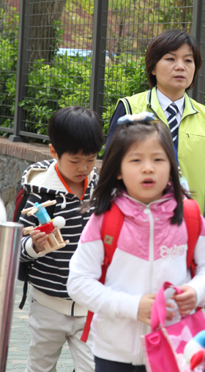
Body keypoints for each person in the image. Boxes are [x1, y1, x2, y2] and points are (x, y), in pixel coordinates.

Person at [67, 113, 205, 371]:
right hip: (114, 354)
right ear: (118, 170)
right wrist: (133, 306)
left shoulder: (189, 215)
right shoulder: (104, 219)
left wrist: (198, 291)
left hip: (176, 348)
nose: (148, 168)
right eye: (136, 160)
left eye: (158, 159)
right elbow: (78, 282)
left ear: (171, 167)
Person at [105, 29, 205, 214]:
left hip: (186, 227)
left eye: (188, 60)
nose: (180, 66)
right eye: (170, 59)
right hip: (137, 222)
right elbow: (111, 169)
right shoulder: (130, 109)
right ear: (152, 67)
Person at [18, 106, 104, 372]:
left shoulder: (101, 191)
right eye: (75, 160)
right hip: (47, 305)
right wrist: (34, 246)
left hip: (90, 306)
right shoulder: (39, 194)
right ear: (54, 152)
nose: (84, 168)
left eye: (90, 159)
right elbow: (17, 248)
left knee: (92, 367)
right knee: (41, 366)